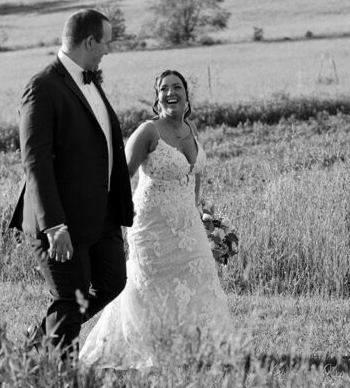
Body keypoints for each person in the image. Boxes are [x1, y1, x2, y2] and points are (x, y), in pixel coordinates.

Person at [78, 69, 234, 370]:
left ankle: (199, 347)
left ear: (188, 96)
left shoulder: (192, 128)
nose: (171, 93)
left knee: (200, 279)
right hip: (151, 225)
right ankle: (150, 348)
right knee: (150, 288)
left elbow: (194, 176)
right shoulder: (149, 131)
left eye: (177, 87)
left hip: (188, 224)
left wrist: (202, 215)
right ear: (157, 96)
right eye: (164, 88)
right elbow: (120, 178)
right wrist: (113, 221)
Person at [9, 8, 134, 353]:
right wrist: (54, 226)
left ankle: (38, 340)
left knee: (112, 281)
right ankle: (60, 385)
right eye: (105, 43)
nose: (108, 50)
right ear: (90, 41)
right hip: (62, 219)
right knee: (70, 297)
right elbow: (34, 161)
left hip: (100, 215)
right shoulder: (43, 87)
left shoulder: (90, 79)